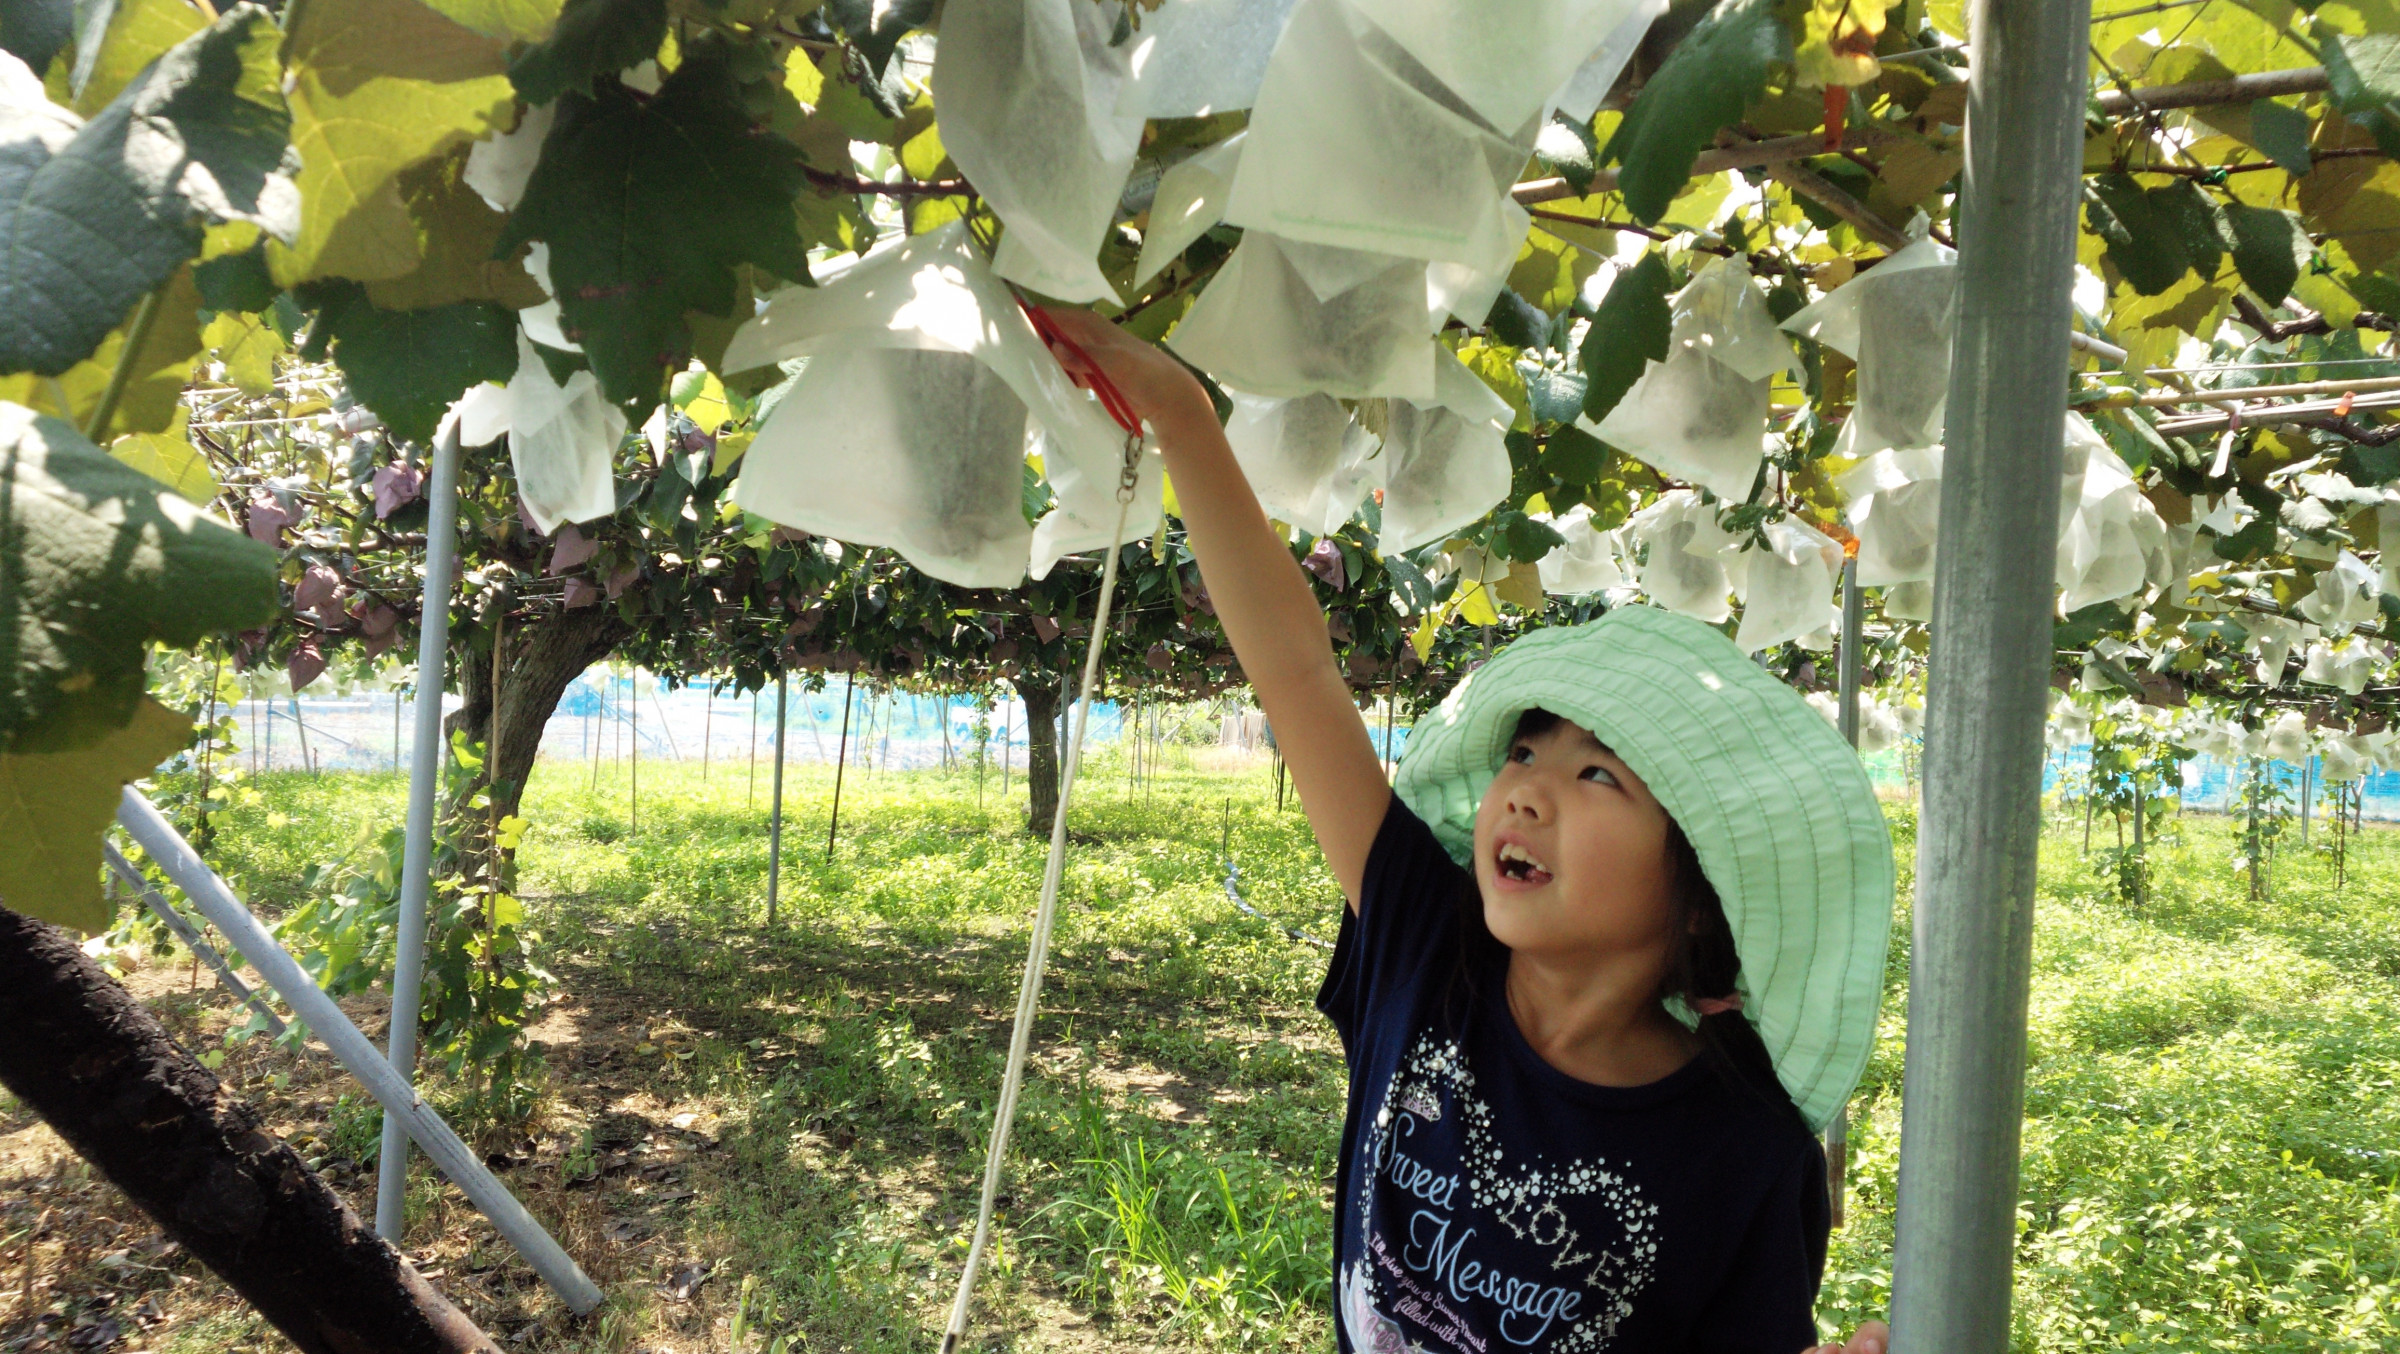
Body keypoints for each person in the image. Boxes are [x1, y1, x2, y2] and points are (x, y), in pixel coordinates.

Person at [1038, 308, 1895, 1354]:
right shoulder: (1426, 943)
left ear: (1701, 889)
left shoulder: (1745, 1150)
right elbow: (1297, 670)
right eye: (1526, 753)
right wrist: (1179, 414)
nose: (1526, 791)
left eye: (1597, 775)